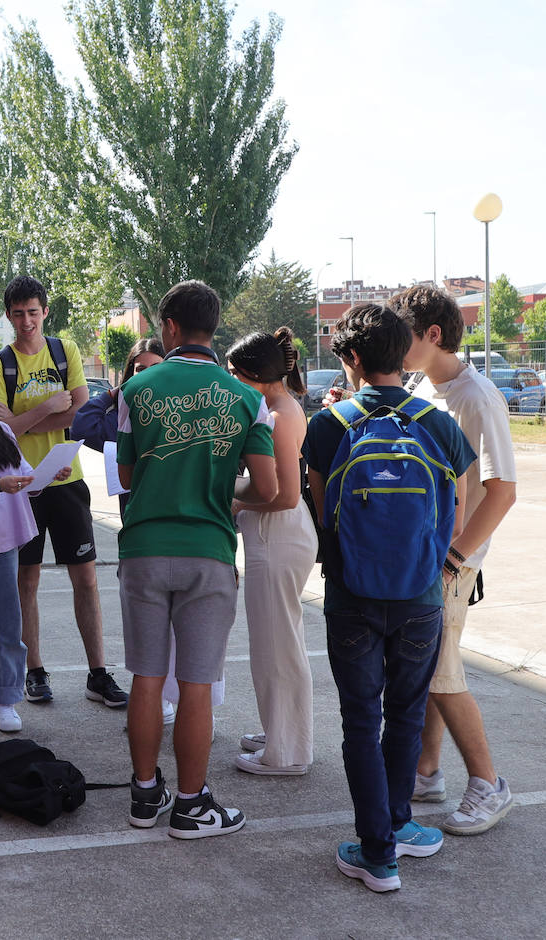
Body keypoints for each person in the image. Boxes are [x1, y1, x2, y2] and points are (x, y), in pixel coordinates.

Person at [303, 303, 475, 891]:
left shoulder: (327, 426)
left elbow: (326, 514)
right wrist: (442, 560)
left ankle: (377, 854)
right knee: (404, 714)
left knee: (359, 720)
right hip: (422, 595)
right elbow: (459, 511)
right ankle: (399, 825)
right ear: (404, 355)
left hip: (351, 593)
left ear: (349, 358)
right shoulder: (438, 422)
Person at [116, 279, 276, 839]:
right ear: (213, 328)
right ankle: (191, 805)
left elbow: (128, 477)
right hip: (208, 552)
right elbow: (270, 487)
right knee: (197, 684)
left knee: (145, 677)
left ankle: (142, 797)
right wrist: (225, 496)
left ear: (169, 328)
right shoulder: (248, 397)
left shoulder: (136, 388)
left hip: (142, 550)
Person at [394, 285, 517, 835]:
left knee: (442, 673)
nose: (396, 349)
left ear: (433, 335)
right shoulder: (426, 387)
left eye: (404, 338)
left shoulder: (475, 396)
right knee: (428, 669)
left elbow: (503, 490)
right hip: (430, 553)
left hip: (451, 560)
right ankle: (426, 771)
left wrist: (456, 557)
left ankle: (489, 783)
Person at [73, 337, 225, 727]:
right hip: (142, 536)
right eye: (139, 370)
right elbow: (82, 424)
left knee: (192, 641)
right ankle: (156, 708)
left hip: (192, 537)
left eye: (155, 367)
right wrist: (116, 393)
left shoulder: (188, 409)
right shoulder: (126, 408)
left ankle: (183, 710)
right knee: (147, 645)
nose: (148, 376)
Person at [0, 275, 126, 709]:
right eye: (18, 314)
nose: (26, 321)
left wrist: (26, 417)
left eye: (33, 312)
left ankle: (98, 674)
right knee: (24, 582)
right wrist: (50, 407)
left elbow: (81, 411)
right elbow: (0, 427)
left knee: (85, 578)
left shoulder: (62, 350)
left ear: (45, 312)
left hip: (67, 481)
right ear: (8, 316)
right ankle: (35, 672)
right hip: (22, 487)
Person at [227, 328, 318, 776]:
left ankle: (285, 752)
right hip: (276, 534)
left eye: (234, 374)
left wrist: (234, 498)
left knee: (275, 646)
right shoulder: (279, 407)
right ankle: (282, 732)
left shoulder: (280, 415)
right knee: (279, 641)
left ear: (254, 375)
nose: (230, 382)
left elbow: (282, 494)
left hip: (276, 533)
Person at [0, 366, 71, 739]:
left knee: (8, 625)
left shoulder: (4, 430)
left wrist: (45, 476)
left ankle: (5, 699)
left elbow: (24, 480)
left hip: (6, 541)